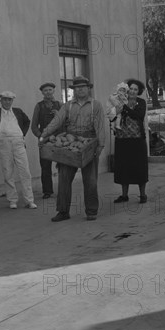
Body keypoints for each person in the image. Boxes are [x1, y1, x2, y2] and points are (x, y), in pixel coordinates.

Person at [39, 76, 106, 222]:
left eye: (83, 87)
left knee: (91, 179)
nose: (80, 89)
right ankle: (63, 211)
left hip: (89, 141)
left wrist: (100, 145)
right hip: (70, 142)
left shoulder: (96, 105)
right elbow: (56, 121)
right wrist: (44, 134)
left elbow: (100, 125)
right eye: (77, 87)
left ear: (88, 88)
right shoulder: (67, 106)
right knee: (64, 178)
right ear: (74, 90)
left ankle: (91, 211)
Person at [0, 91, 37, 210]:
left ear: (12, 101)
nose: (7, 102)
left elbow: (27, 121)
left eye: (9, 100)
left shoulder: (18, 112)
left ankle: (29, 200)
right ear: (1, 101)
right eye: (5, 99)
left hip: (18, 143)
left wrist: (22, 134)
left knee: (25, 171)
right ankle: (12, 200)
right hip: (3, 144)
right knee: (7, 172)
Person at [113, 78, 149, 204]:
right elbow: (112, 116)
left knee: (140, 168)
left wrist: (125, 108)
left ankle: (142, 194)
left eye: (135, 89)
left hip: (137, 140)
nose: (133, 91)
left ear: (139, 91)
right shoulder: (120, 101)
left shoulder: (141, 102)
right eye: (131, 89)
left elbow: (138, 115)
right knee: (123, 167)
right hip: (122, 140)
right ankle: (124, 195)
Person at [31, 82, 62, 199]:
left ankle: (63, 189)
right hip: (45, 141)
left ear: (53, 91)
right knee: (45, 166)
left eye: (50, 90)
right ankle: (47, 191)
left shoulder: (60, 105)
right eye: (45, 90)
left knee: (62, 165)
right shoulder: (39, 106)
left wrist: (59, 115)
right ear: (42, 93)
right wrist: (42, 137)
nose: (48, 92)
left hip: (59, 139)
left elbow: (66, 121)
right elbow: (34, 126)